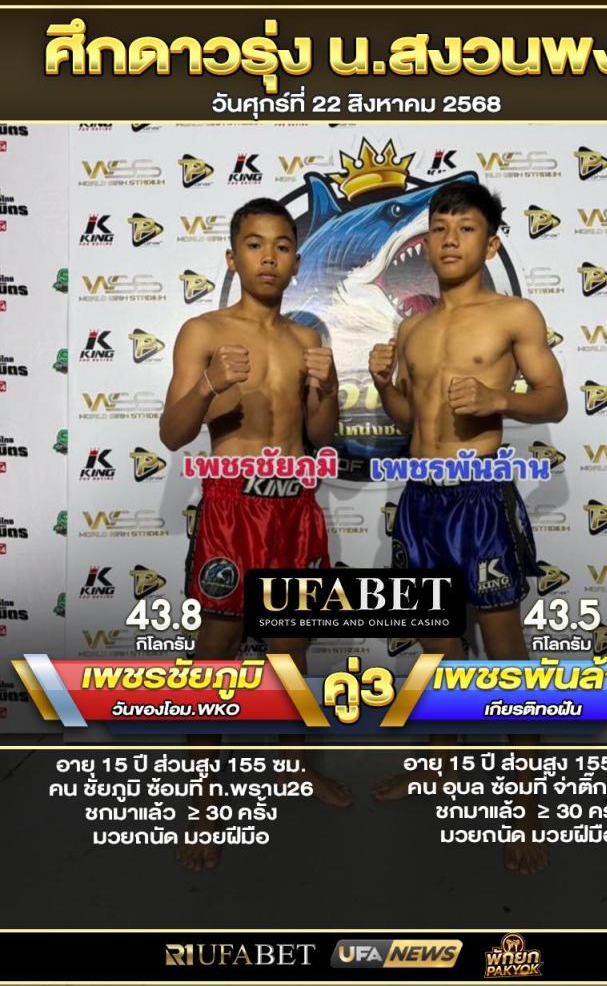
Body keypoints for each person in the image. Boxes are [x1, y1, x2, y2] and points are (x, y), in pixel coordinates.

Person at [368, 180, 567, 874]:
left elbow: (554, 400)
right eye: (440, 228)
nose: (450, 240)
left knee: (505, 655)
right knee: (439, 650)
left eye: (466, 228)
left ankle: (525, 807)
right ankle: (443, 765)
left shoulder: (514, 314)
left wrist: (495, 397)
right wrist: (387, 386)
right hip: (421, 500)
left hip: (479, 499)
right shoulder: (413, 328)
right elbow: (410, 421)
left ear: (492, 242)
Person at [160, 198, 352, 870]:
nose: (268, 257)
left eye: (281, 246)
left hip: (296, 507)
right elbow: (173, 433)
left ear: (296, 262)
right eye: (254, 244)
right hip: (232, 508)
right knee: (215, 655)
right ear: (232, 257)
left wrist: (327, 390)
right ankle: (203, 803)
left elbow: (320, 436)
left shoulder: (305, 339)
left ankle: (295, 768)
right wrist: (210, 384)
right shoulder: (204, 331)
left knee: (290, 651)